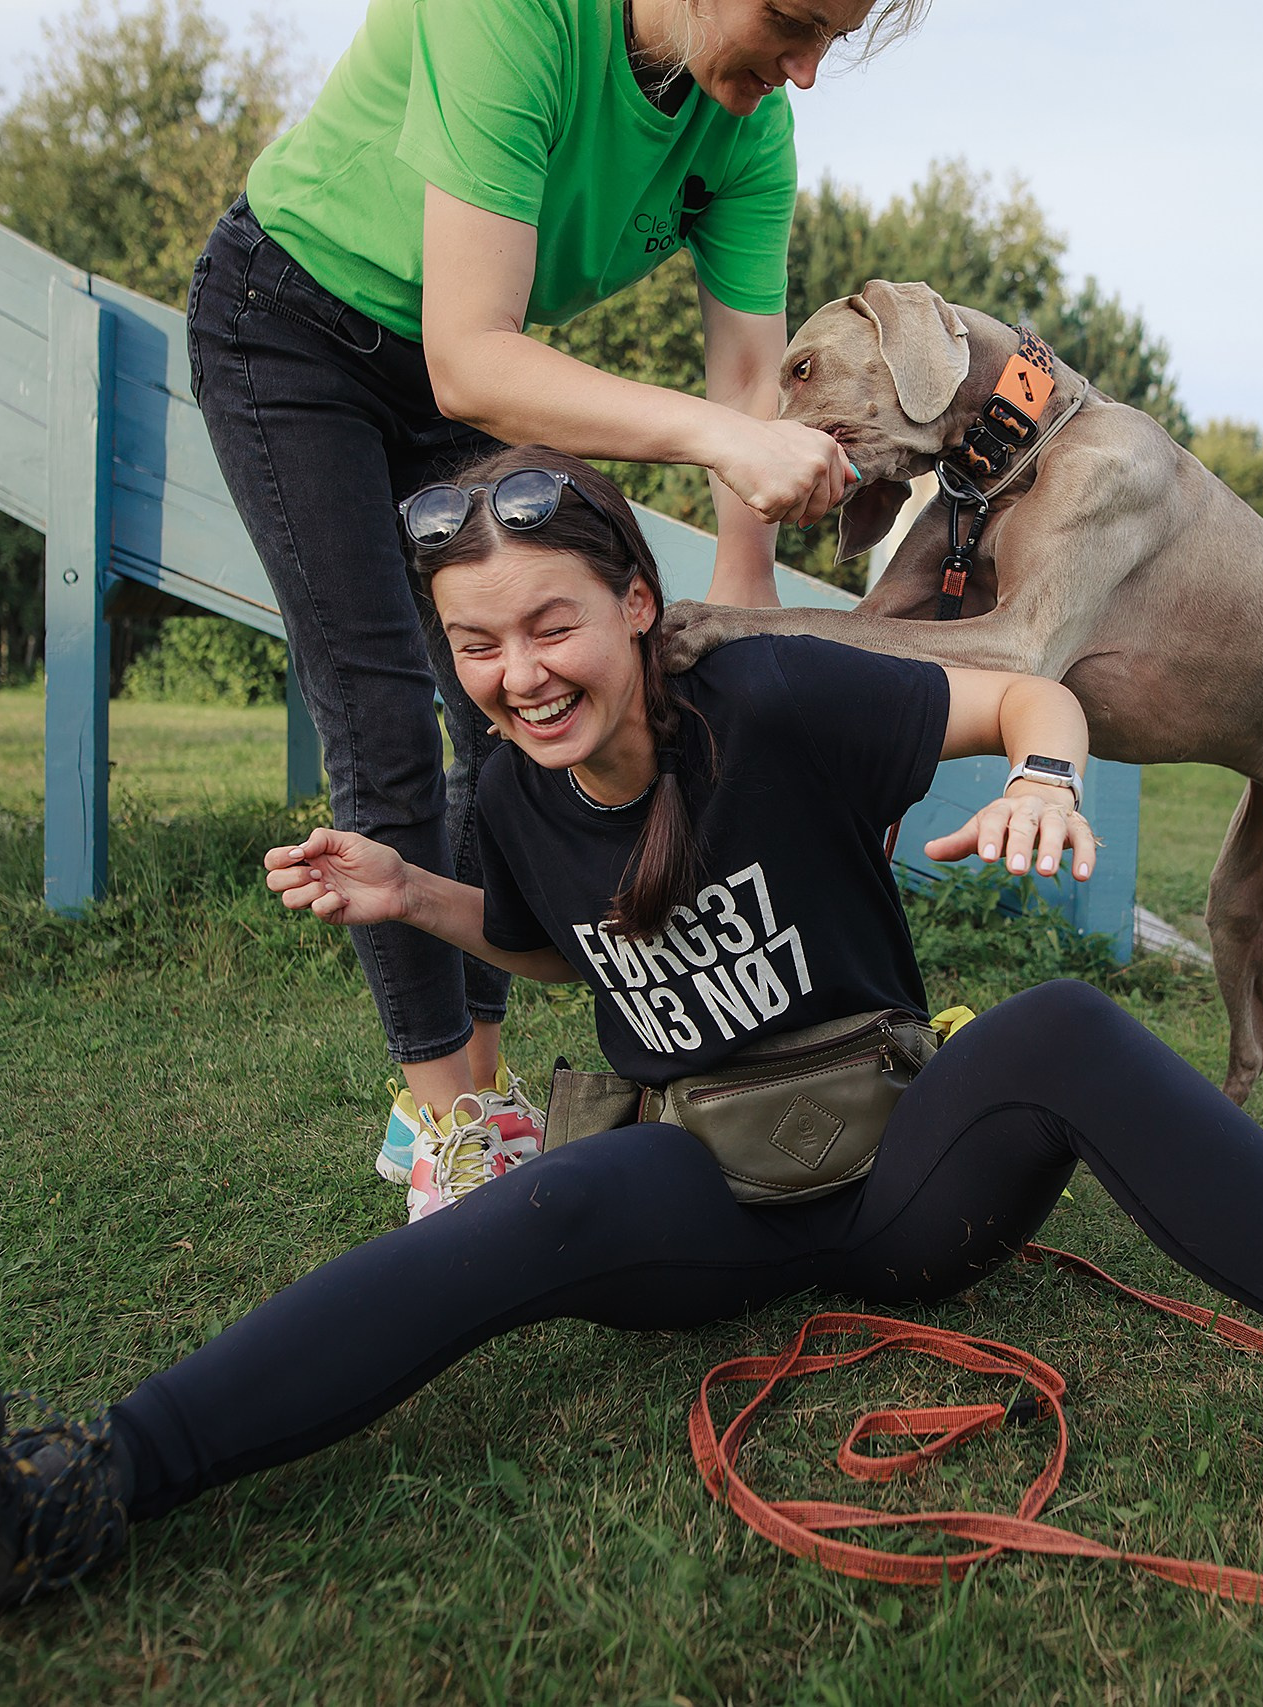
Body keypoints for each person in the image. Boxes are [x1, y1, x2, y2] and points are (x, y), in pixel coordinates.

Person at [0, 452, 1263, 1665]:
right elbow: (569, 936)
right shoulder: (512, 777)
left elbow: (1029, 684)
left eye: (550, 621)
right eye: (476, 643)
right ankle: (55, 1504)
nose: (515, 669)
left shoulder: (782, 691)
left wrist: (1047, 772)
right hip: (694, 1188)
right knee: (529, 1204)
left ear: (637, 607)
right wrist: (421, 888)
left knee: (1056, 1028)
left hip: (903, 1174)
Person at [187, 0, 903, 1193]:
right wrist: (724, 442)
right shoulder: (515, 13)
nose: (807, 71)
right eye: (792, 22)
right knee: (378, 715)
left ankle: (480, 1080)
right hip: (293, 327)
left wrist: (742, 603)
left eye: (833, 38)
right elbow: (477, 353)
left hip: (461, 386)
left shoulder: (750, 125)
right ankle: (444, 1128)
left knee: (517, 728)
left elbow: (746, 375)